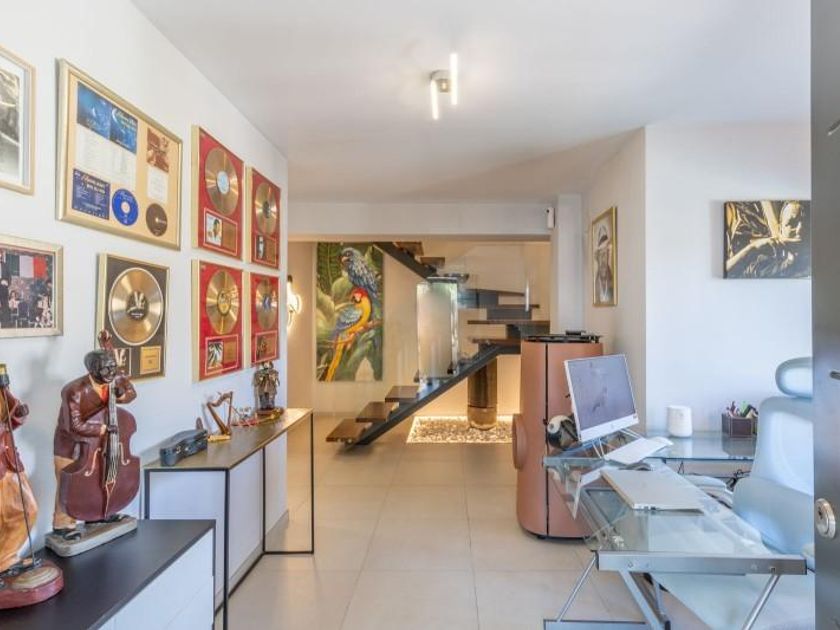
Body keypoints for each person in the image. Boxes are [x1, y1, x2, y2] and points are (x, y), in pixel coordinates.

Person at [52, 347, 136, 538]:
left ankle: (97, 514)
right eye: (105, 369)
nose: (111, 373)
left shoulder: (113, 377)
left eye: (113, 367)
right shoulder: (74, 390)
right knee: (69, 486)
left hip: (100, 445)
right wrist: (102, 429)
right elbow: (73, 425)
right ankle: (63, 525)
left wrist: (121, 394)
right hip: (72, 445)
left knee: (97, 481)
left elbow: (131, 393)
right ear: (91, 370)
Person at [0, 364, 36, 574]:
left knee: (29, 509)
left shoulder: (3, 393)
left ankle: (5, 558)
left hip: (9, 461)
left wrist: (18, 416)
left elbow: (10, 421)